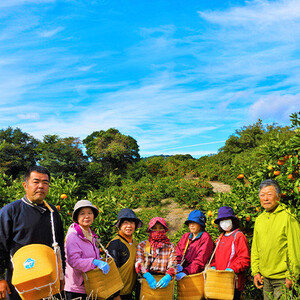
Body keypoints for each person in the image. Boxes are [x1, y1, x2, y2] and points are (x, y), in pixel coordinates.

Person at [0, 165, 65, 300]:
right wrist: (0, 278)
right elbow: (0, 246)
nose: (41, 186)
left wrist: (61, 275)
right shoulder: (10, 211)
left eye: (45, 183)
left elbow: (59, 248)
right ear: (25, 185)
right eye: (36, 182)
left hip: (49, 280)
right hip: (20, 280)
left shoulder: (52, 212)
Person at [251, 179, 300, 300]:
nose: (265, 198)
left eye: (269, 194)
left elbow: (295, 249)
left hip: (283, 278)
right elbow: (256, 248)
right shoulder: (259, 219)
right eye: (262, 195)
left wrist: (292, 275)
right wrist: (255, 271)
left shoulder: (288, 217)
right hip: (265, 279)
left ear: (278, 196)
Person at [64, 200, 110, 300]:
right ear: (76, 217)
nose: (87, 216)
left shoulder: (91, 235)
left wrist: (100, 260)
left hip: (90, 285)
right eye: (82, 213)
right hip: (76, 288)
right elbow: (74, 261)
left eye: (90, 213)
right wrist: (94, 262)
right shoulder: (73, 236)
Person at [211, 206, 250, 300]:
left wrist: (233, 269)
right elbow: (215, 257)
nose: (225, 222)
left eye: (227, 219)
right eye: (222, 220)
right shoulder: (220, 238)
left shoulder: (238, 236)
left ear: (233, 220)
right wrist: (213, 266)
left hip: (233, 282)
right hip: (220, 281)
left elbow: (244, 259)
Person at [106, 208, 143, 300]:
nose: (129, 226)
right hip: (116, 295)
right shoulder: (114, 244)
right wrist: (115, 295)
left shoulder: (135, 244)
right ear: (119, 225)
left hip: (129, 293)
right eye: (125, 223)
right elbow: (111, 271)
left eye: (132, 223)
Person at [135, 217, 177, 290]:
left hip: (164, 282)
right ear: (150, 230)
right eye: (154, 228)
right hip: (146, 281)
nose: (158, 230)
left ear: (165, 229)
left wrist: (169, 276)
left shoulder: (170, 246)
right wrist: (147, 275)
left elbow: (173, 263)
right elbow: (139, 263)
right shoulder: (143, 245)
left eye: (161, 228)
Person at [176, 210, 214, 280]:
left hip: (196, 275)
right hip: (183, 275)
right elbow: (178, 253)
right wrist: (177, 265)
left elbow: (200, 260)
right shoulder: (186, 237)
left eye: (194, 223)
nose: (191, 225)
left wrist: (186, 271)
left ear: (201, 224)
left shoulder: (205, 238)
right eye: (190, 223)